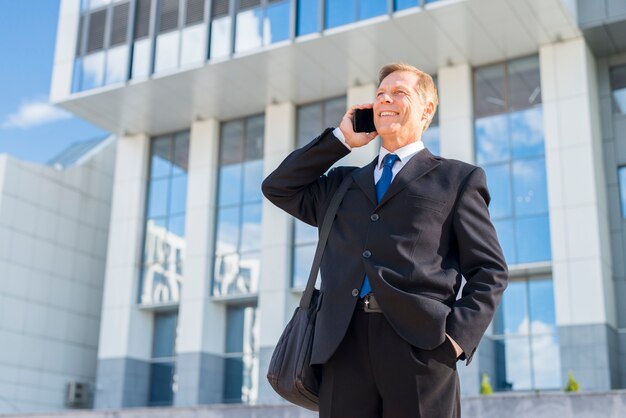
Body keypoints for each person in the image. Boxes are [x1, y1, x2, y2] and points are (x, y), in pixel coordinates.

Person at [262, 63, 508, 418]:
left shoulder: (458, 179)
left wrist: (453, 340)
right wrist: (341, 140)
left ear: (427, 109)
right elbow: (278, 186)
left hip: (421, 346)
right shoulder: (341, 184)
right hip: (341, 346)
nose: (385, 99)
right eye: (380, 94)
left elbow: (490, 271)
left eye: (399, 93)